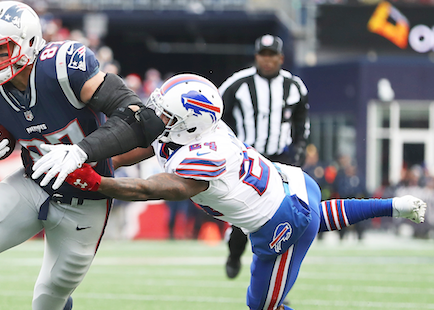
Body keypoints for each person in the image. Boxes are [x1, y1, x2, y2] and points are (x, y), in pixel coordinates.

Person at [62, 73, 427, 310]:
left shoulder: (203, 154)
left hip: (281, 221)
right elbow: (144, 144)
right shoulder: (196, 131)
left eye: (166, 114)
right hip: (297, 184)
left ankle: (392, 206)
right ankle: (394, 205)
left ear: (189, 123)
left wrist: (99, 183)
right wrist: (97, 160)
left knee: (263, 307)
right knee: (319, 215)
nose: (158, 118)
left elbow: (151, 188)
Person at [0, 2, 164, 310]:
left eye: (2, 50)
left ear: (28, 42)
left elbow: (139, 118)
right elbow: (14, 126)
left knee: (49, 298)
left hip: (86, 199)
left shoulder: (64, 67)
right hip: (32, 184)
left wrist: (82, 151)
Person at [218, 34, 310, 279]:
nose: (267, 60)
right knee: (242, 211)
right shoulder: (238, 83)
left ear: (281, 58)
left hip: (281, 158)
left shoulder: (294, 86)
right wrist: (228, 146)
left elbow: (302, 122)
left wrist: (300, 149)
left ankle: (275, 275)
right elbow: (215, 114)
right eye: (263, 55)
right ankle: (235, 252)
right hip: (248, 158)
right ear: (256, 57)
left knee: (282, 216)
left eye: (272, 55)